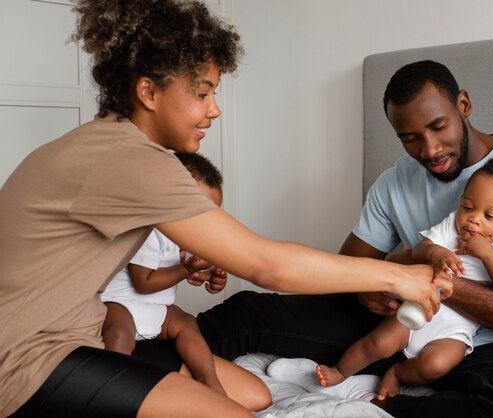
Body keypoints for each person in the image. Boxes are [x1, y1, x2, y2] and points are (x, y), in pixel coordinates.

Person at [0, 2, 452, 417]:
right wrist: (396, 274)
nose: (214, 110)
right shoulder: (127, 159)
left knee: (256, 395)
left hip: (81, 328)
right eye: (202, 93)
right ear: (147, 92)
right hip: (26, 357)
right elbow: (265, 264)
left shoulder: (118, 145)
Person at [196, 60, 493, 418]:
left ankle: (380, 402)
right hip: (402, 323)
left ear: (464, 105)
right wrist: (373, 285)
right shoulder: (395, 181)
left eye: (438, 126)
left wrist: (432, 280)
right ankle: (151, 370)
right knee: (245, 312)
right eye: (409, 138)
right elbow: (346, 271)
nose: (430, 149)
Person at [276, 157, 493, 400]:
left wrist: (487, 253)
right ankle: (341, 372)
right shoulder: (451, 226)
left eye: (489, 216)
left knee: (436, 365)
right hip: (418, 307)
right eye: (468, 208)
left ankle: (396, 373)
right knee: (378, 343)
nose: (474, 219)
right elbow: (420, 249)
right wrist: (437, 253)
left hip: (456, 327)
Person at [100, 152, 232, 397]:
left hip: (159, 306)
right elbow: (143, 283)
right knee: (118, 332)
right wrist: (187, 269)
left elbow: (197, 266)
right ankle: (111, 388)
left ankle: (209, 381)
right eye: (197, 212)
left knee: (186, 322)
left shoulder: (189, 235)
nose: (204, 222)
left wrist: (213, 276)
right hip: (120, 302)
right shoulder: (149, 231)